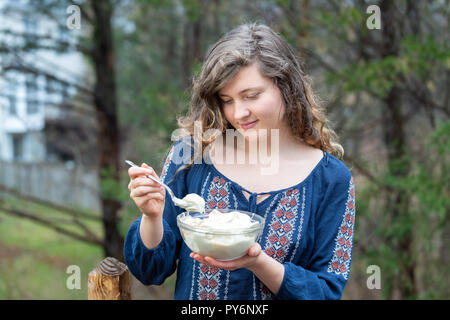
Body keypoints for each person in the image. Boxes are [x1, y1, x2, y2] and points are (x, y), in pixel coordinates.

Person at [124, 23, 356, 300]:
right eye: (226, 100)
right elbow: (150, 271)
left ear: (287, 87)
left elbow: (326, 292)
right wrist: (152, 217)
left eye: (251, 96)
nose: (239, 113)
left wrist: (257, 262)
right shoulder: (191, 156)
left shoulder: (332, 179)